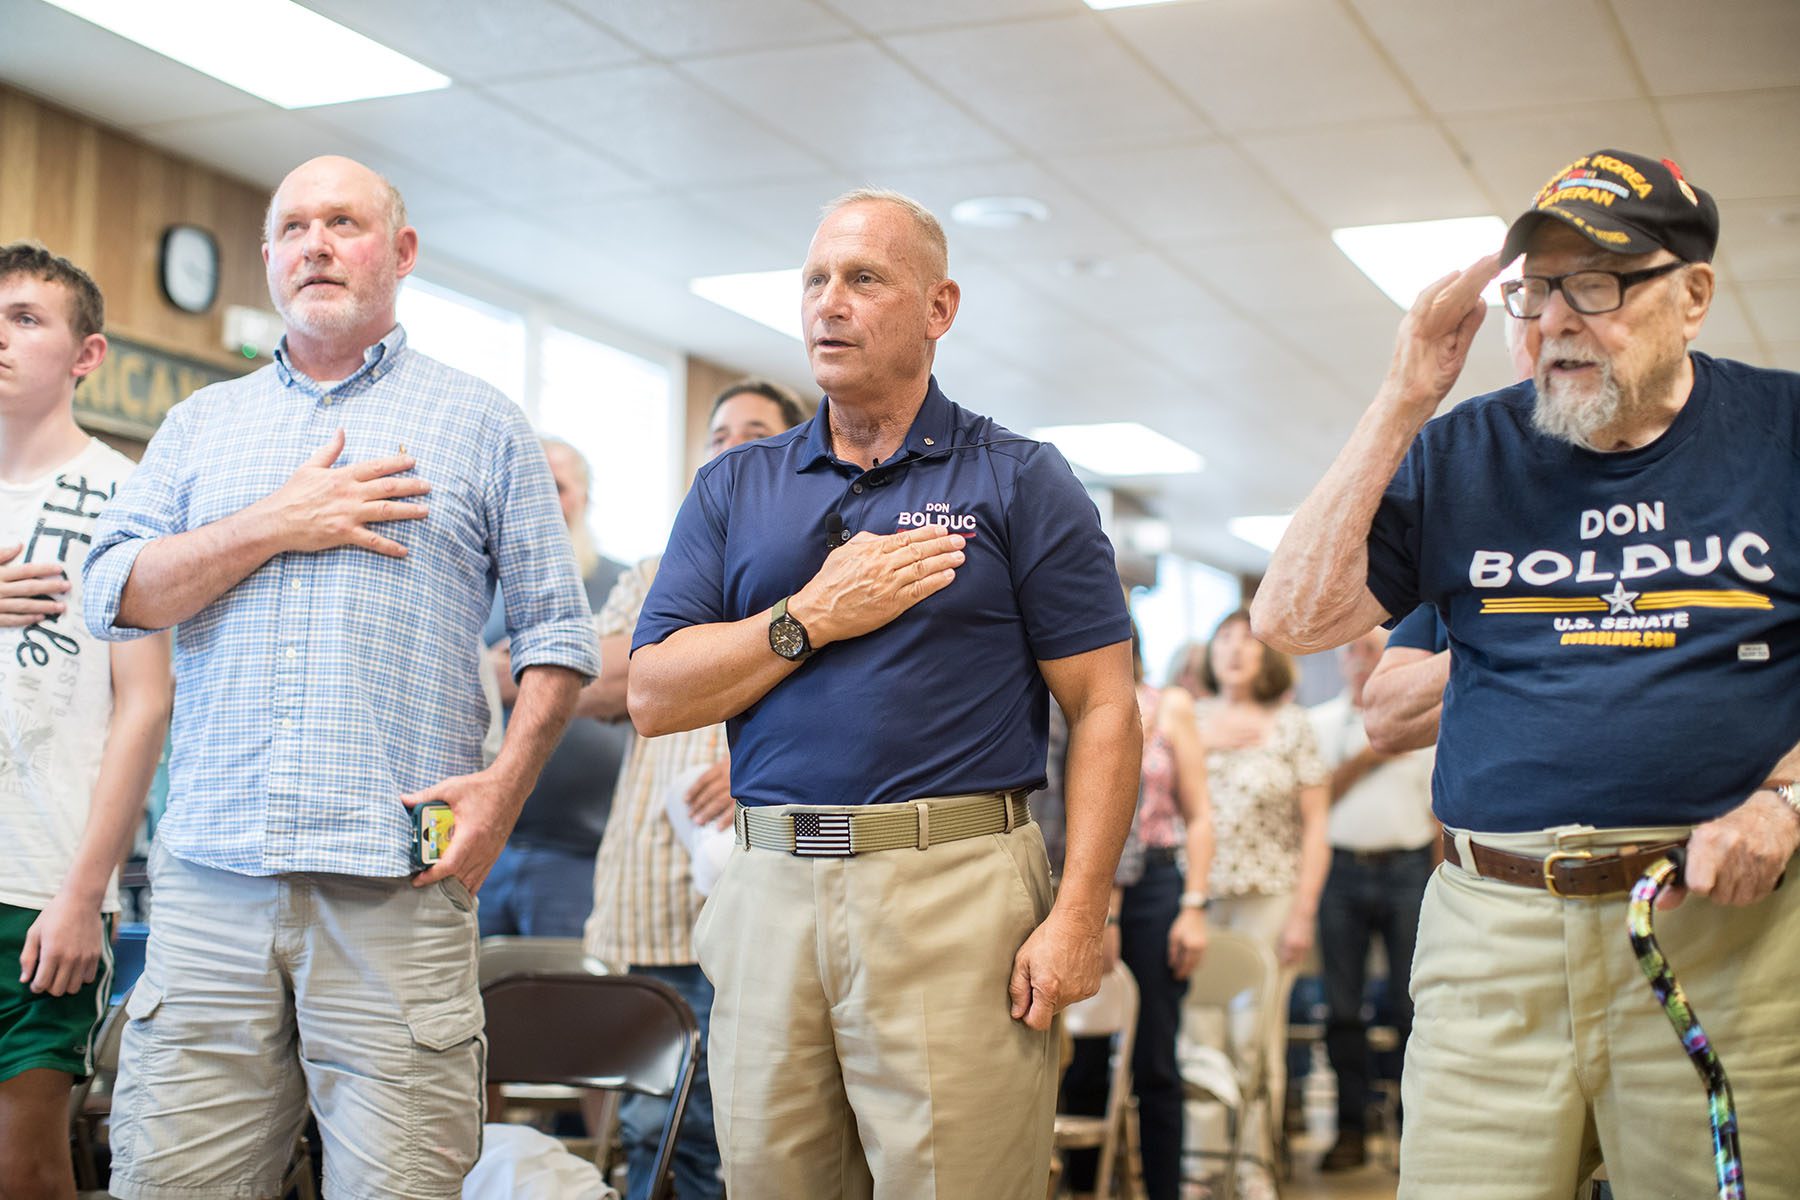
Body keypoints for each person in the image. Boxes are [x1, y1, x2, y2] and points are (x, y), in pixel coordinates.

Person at [1252, 148, 1800, 1197]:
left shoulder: (1782, 434)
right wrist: (1404, 396)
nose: (1555, 317)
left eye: (1597, 283)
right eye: (1535, 289)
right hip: (1489, 938)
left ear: (1694, 296)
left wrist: (1787, 798)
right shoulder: (1462, 451)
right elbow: (1291, 619)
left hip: (1724, 935)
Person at [84, 155, 598, 1199]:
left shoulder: (482, 421)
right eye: (293, 228)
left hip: (397, 888)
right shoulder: (199, 427)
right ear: (269, 258)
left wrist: (502, 795)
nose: (316, 244)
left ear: (400, 254)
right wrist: (272, 525)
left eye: (345, 223)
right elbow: (114, 589)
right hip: (209, 890)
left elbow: (560, 638)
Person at [626, 188, 1139, 1199]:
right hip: (771, 885)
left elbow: (1107, 707)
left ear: (939, 308)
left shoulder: (1021, 480)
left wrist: (1080, 910)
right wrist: (810, 615)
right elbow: (652, 693)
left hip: (954, 888)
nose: (830, 303)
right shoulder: (736, 487)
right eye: (816, 280)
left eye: (864, 279)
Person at [583, 376, 806, 1200]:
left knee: (742, 1119)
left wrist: (759, 758)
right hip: (649, 891)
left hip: (759, 885)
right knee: (653, 1121)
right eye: (717, 435)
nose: (732, 445)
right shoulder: (657, 569)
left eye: (755, 430)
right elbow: (599, 681)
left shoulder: (820, 571)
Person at [0, 243, 171, 1200]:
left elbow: (145, 705)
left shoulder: (127, 495)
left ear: (86, 354)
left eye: (26, 318)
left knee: (24, 1169)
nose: (0, 334)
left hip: (38, 887)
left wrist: (83, 894)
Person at [1061, 630, 1212, 1200]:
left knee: (1154, 1057)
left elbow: (1197, 816)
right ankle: (1086, 1188)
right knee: (1085, 1061)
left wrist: (1193, 906)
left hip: (1154, 884)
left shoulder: (1166, 703)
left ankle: (1164, 1189)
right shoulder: (1061, 705)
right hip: (1077, 876)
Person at [1191, 607, 1329, 1197]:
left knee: (1254, 1036)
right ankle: (1198, 1166)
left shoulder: (1293, 724)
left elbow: (1317, 827)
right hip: (1197, 899)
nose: (1234, 650)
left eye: (1247, 640)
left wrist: (1304, 912)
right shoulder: (1188, 718)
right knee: (1197, 1036)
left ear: (1268, 654)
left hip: (1270, 897)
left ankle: (1251, 1166)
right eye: (1223, 638)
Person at [479, 436, 631, 939]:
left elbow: (638, 676)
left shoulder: (623, 584)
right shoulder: (484, 587)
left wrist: (514, 671)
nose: (545, 499)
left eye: (559, 487)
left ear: (584, 497)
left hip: (582, 852)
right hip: (483, 840)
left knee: (567, 1007)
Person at [1306, 623, 1436, 1171]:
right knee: (1341, 1008)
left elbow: (1439, 813)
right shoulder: (1316, 725)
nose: (1359, 660)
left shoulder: (1425, 726)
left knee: (1413, 1008)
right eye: (1351, 651)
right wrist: (1369, 752)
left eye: (1371, 650)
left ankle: (1414, 1132)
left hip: (1409, 870)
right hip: (1339, 872)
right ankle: (1350, 1129)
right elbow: (1310, 804)